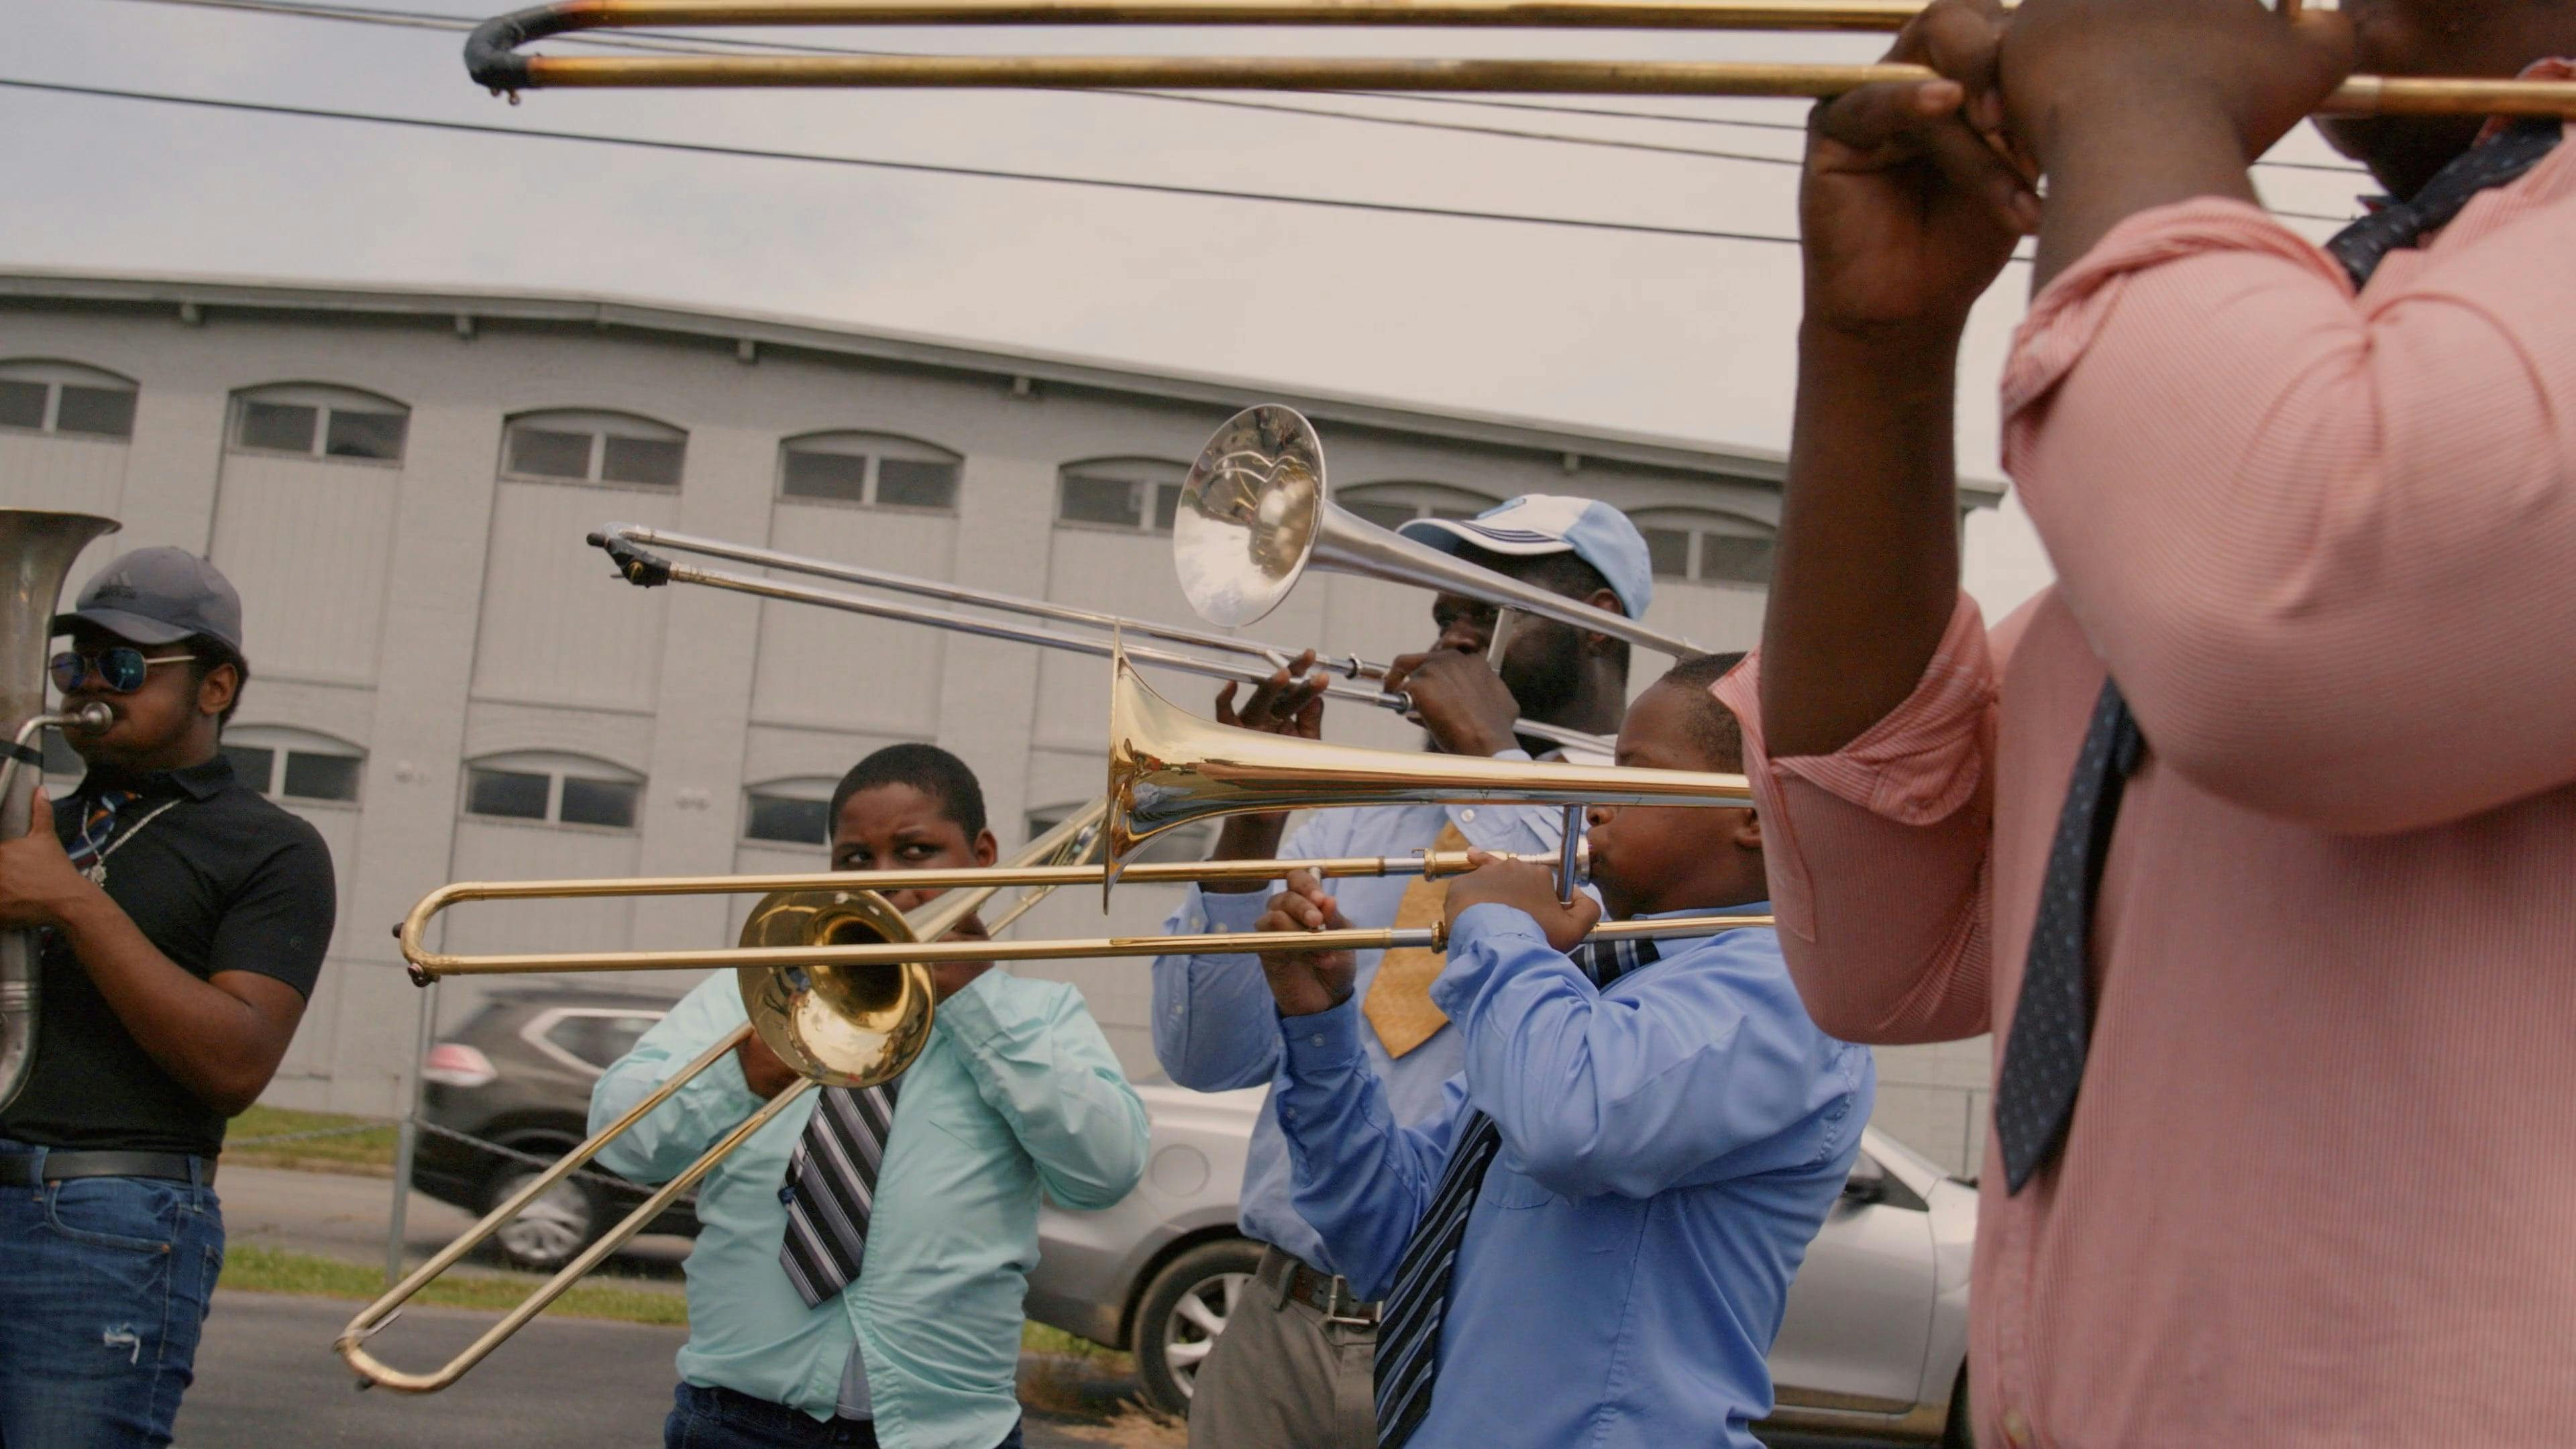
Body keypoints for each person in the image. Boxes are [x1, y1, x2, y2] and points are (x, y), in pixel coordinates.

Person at [1733, 0, 2576, 1441]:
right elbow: (1887, 944)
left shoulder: (2327, 422)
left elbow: (2288, 606)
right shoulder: (2330, 353)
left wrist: (2137, 101)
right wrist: (1878, 353)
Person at [1250, 653, 1871, 1449]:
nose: (1595, 804)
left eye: (1632, 773)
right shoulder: (1580, 989)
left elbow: (1571, 1124)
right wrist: (1322, 1026)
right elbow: (1385, 1237)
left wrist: (1498, 928)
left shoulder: (1791, 993)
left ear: (1752, 812)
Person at [1149, 496, 1656, 1449]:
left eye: (1489, 603)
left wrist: (1487, 756)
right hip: (1276, 1322)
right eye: (1445, 610)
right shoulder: (1355, 826)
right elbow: (1205, 1060)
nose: (1452, 631)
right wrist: (1252, 814)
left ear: (1600, 624)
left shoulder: (1647, 835)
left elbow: (1581, 965)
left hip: (1479, 1342)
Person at [592, 743, 1148, 1449]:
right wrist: (739, 1077)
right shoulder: (756, 993)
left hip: (948, 1435)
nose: (883, 881)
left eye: (915, 851)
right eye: (856, 859)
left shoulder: (1039, 1016)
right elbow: (619, 1142)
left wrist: (977, 1002)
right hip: (739, 1422)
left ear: (982, 856)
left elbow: (1106, 1171)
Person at [0, 547, 336, 1448]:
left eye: (123, 668)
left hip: (106, 1225)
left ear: (216, 687)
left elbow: (235, 1062)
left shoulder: (272, 849)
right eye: (75, 666)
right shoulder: (34, 822)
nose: (85, 689)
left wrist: (70, 902)